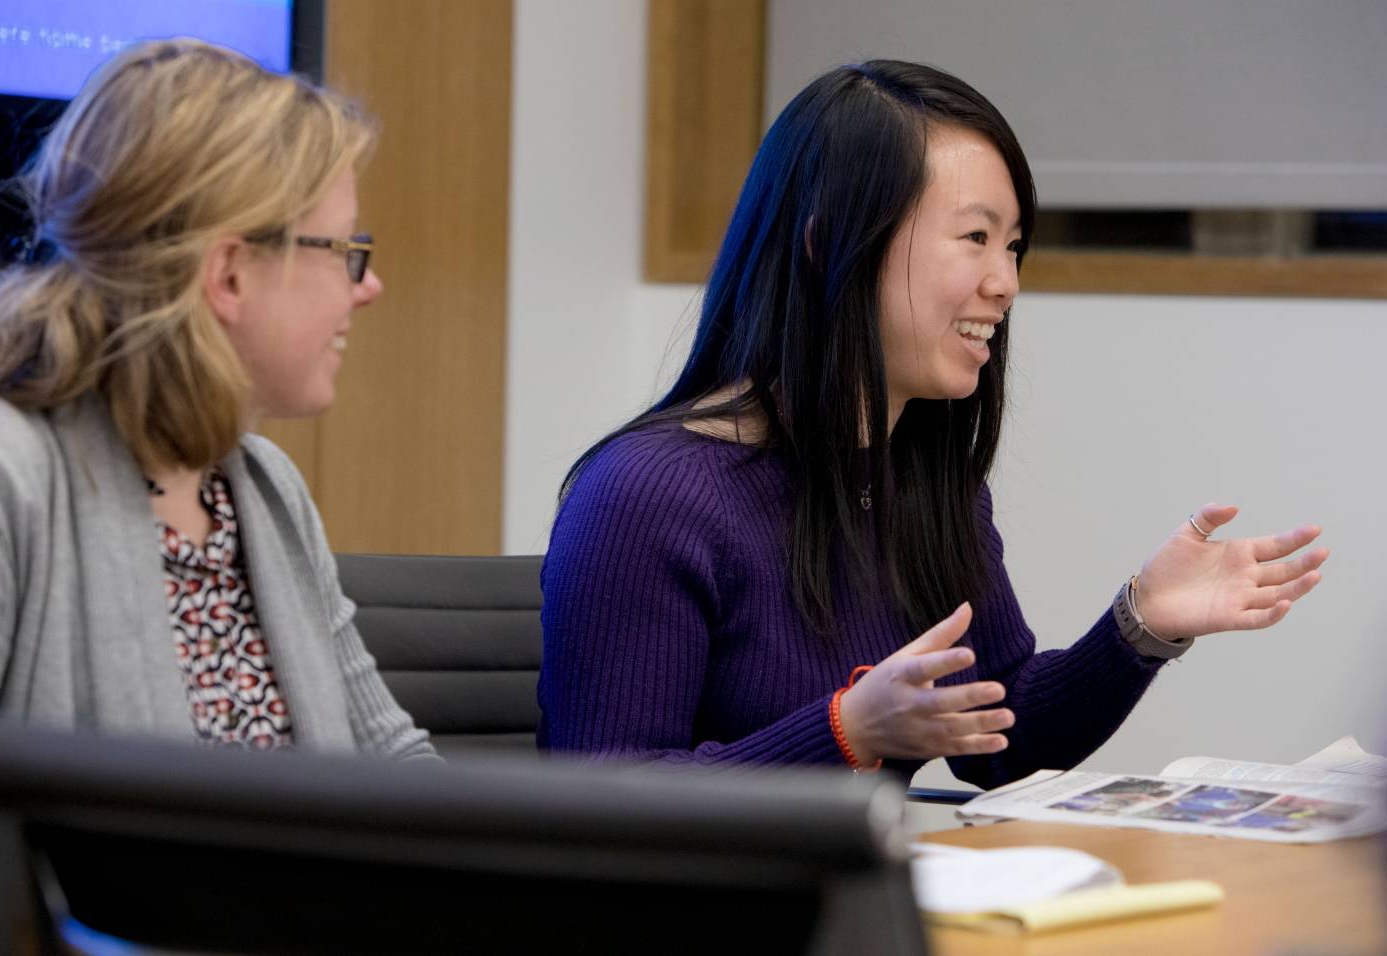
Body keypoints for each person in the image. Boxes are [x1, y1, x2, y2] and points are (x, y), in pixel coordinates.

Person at [537, 61, 1327, 780]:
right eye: (976, 238)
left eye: (1014, 246)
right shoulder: (644, 497)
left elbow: (1001, 735)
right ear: (829, 247)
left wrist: (1140, 626)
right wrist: (849, 730)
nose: (1006, 283)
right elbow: (605, 804)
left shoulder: (920, 479)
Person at [0, 39, 439, 923]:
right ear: (230, 272)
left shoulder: (262, 485)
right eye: (347, 250)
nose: (369, 288)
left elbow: (388, 762)